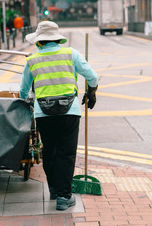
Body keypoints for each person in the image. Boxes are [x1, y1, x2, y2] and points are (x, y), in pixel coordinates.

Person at [19, 21, 98, 211]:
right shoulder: (71, 54)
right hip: (69, 112)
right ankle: (64, 197)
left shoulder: (32, 60)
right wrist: (91, 92)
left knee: (49, 151)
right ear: (57, 39)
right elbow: (92, 77)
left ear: (39, 42)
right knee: (66, 154)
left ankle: (54, 188)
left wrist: (30, 102)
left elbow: (23, 91)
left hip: (43, 114)